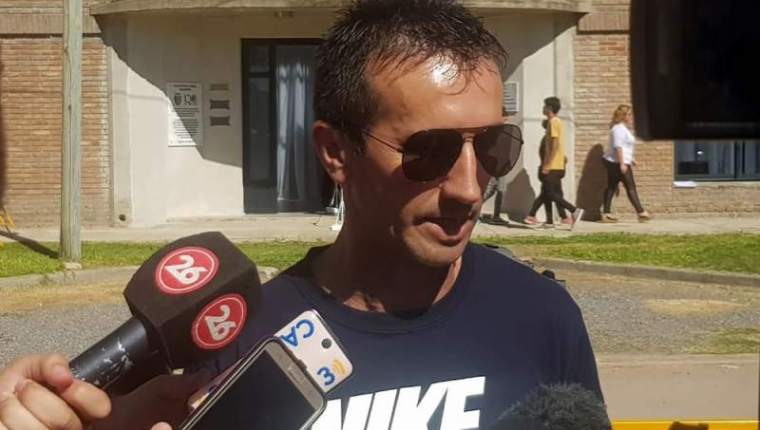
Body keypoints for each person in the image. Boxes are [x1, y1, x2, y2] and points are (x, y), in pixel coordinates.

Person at [0, 1, 603, 429]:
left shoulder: (542, 317)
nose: (470, 189)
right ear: (335, 152)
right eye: (430, 152)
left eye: (493, 146)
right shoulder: (234, 344)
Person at [524, 97, 583, 229]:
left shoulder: (554, 121)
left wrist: (548, 164)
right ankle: (549, 221)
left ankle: (574, 210)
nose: (543, 108)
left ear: (549, 108)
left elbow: (555, 144)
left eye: (544, 106)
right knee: (547, 193)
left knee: (550, 193)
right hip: (556, 165)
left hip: (554, 166)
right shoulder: (554, 122)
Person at [601, 104, 651, 222]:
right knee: (630, 187)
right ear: (623, 116)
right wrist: (622, 163)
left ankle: (606, 214)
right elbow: (618, 147)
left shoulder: (622, 128)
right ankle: (641, 212)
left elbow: (625, 146)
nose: (631, 117)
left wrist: (631, 158)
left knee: (612, 187)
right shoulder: (618, 129)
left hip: (617, 162)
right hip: (617, 162)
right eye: (629, 114)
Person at [480, 107, 511, 226]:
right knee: (491, 188)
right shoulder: (493, 131)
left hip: (503, 164)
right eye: (505, 117)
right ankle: (474, 210)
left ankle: (496, 216)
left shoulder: (506, 131)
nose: (507, 120)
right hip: (495, 164)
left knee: (500, 190)